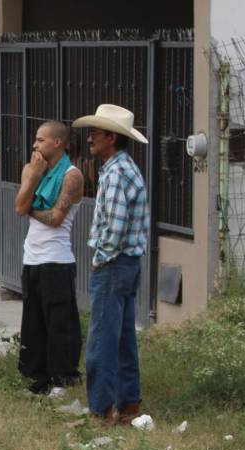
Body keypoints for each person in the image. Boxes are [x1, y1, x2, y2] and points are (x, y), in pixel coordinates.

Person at [71, 104, 150, 425]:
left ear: (112, 138)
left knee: (102, 339)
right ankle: (128, 404)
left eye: (96, 133)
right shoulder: (124, 168)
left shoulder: (116, 174)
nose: (90, 138)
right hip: (128, 263)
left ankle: (101, 410)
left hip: (114, 264)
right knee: (123, 338)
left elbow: (114, 230)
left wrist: (100, 260)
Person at [13, 121, 85, 394]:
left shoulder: (71, 176)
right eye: (35, 139)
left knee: (60, 324)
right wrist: (33, 177)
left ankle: (62, 379)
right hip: (31, 258)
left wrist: (28, 206)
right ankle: (35, 379)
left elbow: (55, 218)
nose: (35, 145)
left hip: (57, 260)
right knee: (33, 323)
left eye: (41, 140)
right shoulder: (32, 171)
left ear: (58, 143)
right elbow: (19, 206)